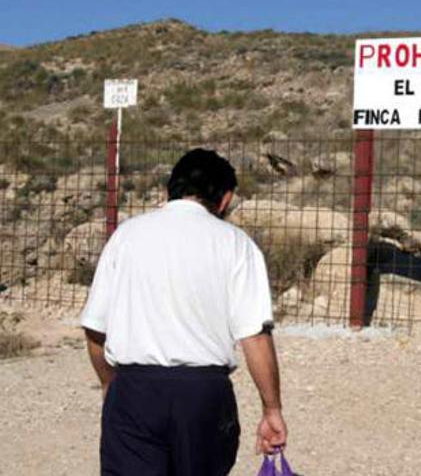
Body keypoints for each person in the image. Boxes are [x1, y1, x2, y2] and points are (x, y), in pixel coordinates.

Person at [80, 148, 287, 475]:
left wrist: (110, 385)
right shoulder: (236, 243)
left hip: (134, 390)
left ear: (169, 190)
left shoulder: (126, 236)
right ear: (225, 198)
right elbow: (255, 337)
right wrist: (271, 409)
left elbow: (94, 330)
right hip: (202, 395)